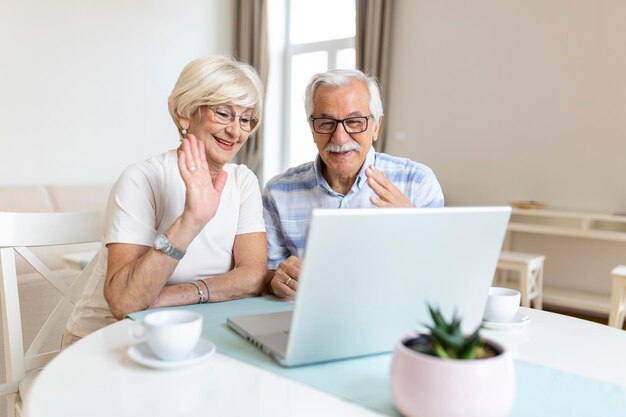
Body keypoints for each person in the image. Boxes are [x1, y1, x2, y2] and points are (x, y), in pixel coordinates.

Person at [64, 56, 267, 345]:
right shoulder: (141, 178)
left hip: (189, 335)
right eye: (223, 113)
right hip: (106, 340)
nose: (236, 131)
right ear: (185, 113)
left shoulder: (242, 181)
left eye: (246, 119)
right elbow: (125, 303)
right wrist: (191, 221)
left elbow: (253, 276)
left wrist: (174, 295)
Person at [263, 69, 444, 299]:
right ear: (312, 129)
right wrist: (274, 280)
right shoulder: (278, 192)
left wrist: (412, 227)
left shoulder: (418, 182)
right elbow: (269, 276)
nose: (340, 138)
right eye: (326, 123)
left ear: (376, 126)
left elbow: (440, 275)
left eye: (355, 122)